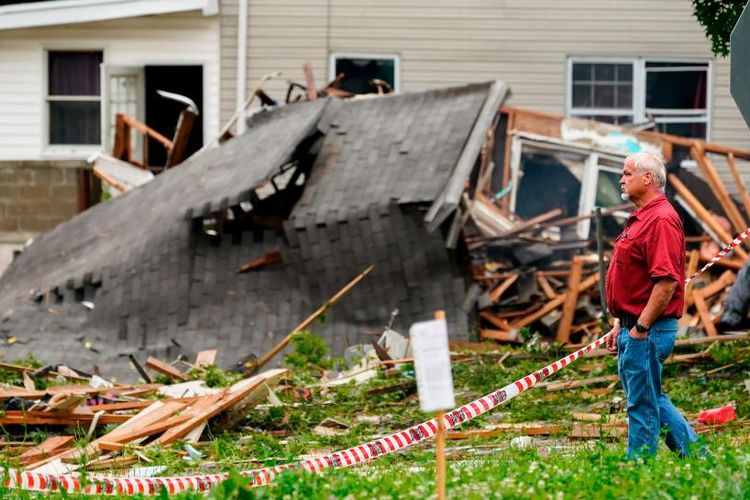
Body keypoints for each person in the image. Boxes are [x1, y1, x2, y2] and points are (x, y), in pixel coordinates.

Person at [604, 152, 699, 459]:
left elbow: (667, 281)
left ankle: (639, 474)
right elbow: (639, 280)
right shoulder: (642, 217)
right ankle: (699, 459)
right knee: (650, 399)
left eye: (627, 173)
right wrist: (621, 321)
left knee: (642, 406)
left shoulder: (660, 219)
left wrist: (641, 327)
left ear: (647, 178)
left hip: (648, 331)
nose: (621, 179)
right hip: (634, 326)